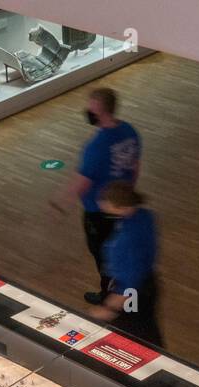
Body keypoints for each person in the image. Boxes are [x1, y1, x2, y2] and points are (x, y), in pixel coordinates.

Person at [51, 88, 141, 305]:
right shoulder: (130, 132)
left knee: (104, 255)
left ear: (100, 111)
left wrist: (60, 203)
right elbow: (136, 166)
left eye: (91, 108)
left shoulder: (96, 147)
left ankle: (109, 296)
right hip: (122, 205)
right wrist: (128, 193)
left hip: (98, 212)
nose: (87, 112)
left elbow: (83, 183)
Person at [89, 180, 163, 348]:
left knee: (131, 333)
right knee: (147, 325)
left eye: (105, 202)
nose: (101, 204)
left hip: (133, 292)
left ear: (120, 207)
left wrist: (108, 309)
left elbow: (128, 285)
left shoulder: (123, 242)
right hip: (149, 282)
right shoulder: (145, 215)